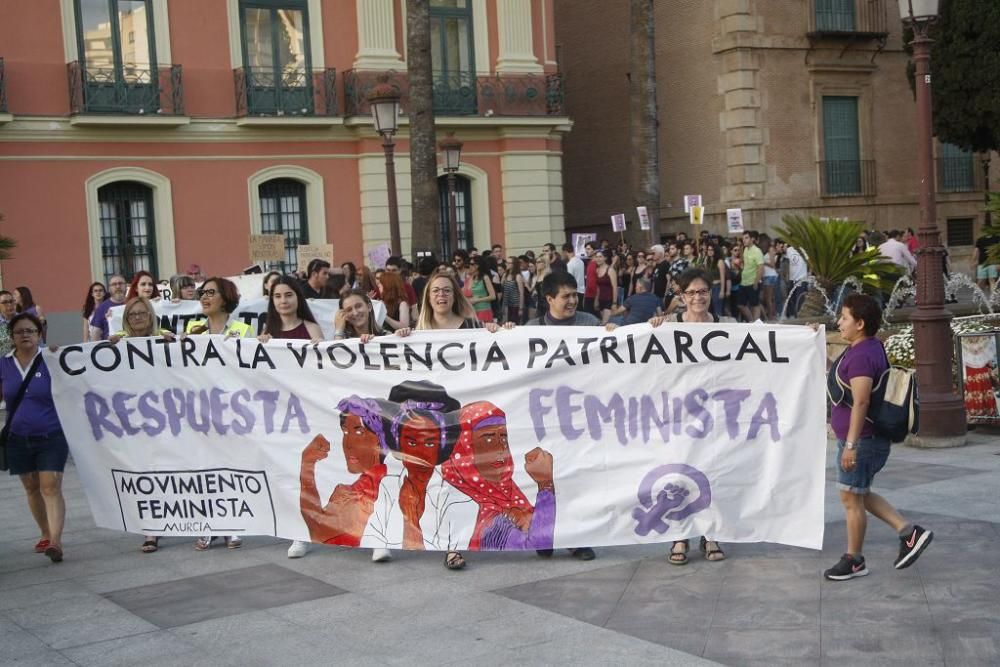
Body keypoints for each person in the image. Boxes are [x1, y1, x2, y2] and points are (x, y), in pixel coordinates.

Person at [823, 293, 932, 581]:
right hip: (865, 440)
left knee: (850, 499)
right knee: (859, 494)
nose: (839, 322)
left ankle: (855, 559)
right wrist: (815, 345)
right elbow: (840, 378)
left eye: (844, 318)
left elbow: (859, 402)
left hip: (864, 441)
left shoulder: (861, 355)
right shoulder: (867, 346)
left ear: (859, 323)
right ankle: (909, 532)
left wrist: (851, 445)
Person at [650, 268, 735, 565]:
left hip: (716, 417)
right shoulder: (667, 326)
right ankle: (680, 536)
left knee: (712, 471)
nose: (697, 297)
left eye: (702, 292)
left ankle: (711, 534)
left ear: (710, 294)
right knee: (679, 474)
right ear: (681, 296)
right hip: (677, 416)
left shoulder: (728, 325)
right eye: (691, 293)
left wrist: (806, 334)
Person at [525, 271, 602, 561]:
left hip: (580, 415)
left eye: (575, 295)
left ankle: (577, 538)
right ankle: (544, 534)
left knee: (576, 476)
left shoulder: (590, 324)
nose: (572, 301)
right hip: (542, 415)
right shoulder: (531, 329)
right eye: (565, 296)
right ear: (549, 299)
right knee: (544, 478)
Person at [186, 278, 254, 551]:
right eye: (202, 293)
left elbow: (251, 369)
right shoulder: (193, 330)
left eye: (210, 293)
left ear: (225, 298)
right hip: (200, 409)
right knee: (204, 468)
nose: (204, 297)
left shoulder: (243, 329)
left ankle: (232, 525)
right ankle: (208, 523)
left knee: (231, 466)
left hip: (233, 410)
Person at [107, 297, 175, 553]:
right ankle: (151, 530)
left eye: (142, 313)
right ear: (126, 318)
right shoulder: (118, 341)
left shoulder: (164, 337)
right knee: (144, 472)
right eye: (132, 314)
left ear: (150, 315)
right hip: (134, 422)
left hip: (167, 418)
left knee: (170, 469)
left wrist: (174, 343)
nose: (137, 318)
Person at [441, 402, 555, 551]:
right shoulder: (480, 510)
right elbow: (539, 545)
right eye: (488, 438)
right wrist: (545, 484)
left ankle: (577, 544)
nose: (501, 448)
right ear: (465, 447)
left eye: (503, 438)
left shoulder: (509, 494)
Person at [2, 312, 68, 563]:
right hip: (18, 437)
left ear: (39, 334)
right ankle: (44, 532)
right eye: (20, 331)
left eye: (30, 331)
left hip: (51, 434)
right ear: (12, 337)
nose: (25, 335)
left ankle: (56, 541)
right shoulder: (4, 364)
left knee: (50, 486)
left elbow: (85, 368)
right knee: (31, 487)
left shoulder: (51, 359)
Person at [259, 276, 323, 343]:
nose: (283, 301)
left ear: (298, 297)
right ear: (273, 300)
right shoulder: (267, 333)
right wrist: (262, 341)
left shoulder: (313, 329)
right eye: (278, 296)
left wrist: (320, 344)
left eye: (289, 295)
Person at [89, 275, 128, 341]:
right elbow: (95, 335)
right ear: (109, 289)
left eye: (120, 283)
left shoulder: (134, 304)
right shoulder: (101, 308)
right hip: (112, 349)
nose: (118, 286)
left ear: (126, 286)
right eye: (114, 284)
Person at [738, 231, 764, 322]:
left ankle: (756, 323)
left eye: (746, 238)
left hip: (753, 282)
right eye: (743, 238)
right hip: (744, 282)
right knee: (741, 304)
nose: (744, 240)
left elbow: (760, 267)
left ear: (752, 239)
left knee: (755, 305)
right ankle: (752, 321)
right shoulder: (745, 249)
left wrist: (756, 282)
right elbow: (745, 264)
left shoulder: (757, 251)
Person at [463, 256, 496, 323]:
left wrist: (477, 300)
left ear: (478, 266)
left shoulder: (485, 277)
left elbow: (493, 296)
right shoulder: (469, 278)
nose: (470, 266)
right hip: (471, 311)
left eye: (472, 264)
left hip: (483, 310)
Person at [592, 250, 618, 323]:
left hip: (609, 300)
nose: (598, 259)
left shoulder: (610, 270)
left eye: (600, 257)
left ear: (605, 258)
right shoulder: (597, 270)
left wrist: (614, 303)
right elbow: (598, 288)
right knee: (603, 323)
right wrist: (596, 300)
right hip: (601, 299)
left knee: (604, 323)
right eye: (596, 257)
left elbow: (615, 287)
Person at [501, 256, 526, 324]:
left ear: (514, 264)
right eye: (507, 262)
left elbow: (521, 293)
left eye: (509, 263)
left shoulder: (518, 276)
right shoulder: (505, 275)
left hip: (515, 305)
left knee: (514, 324)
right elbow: (502, 289)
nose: (507, 264)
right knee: (506, 324)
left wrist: (520, 308)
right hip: (506, 304)